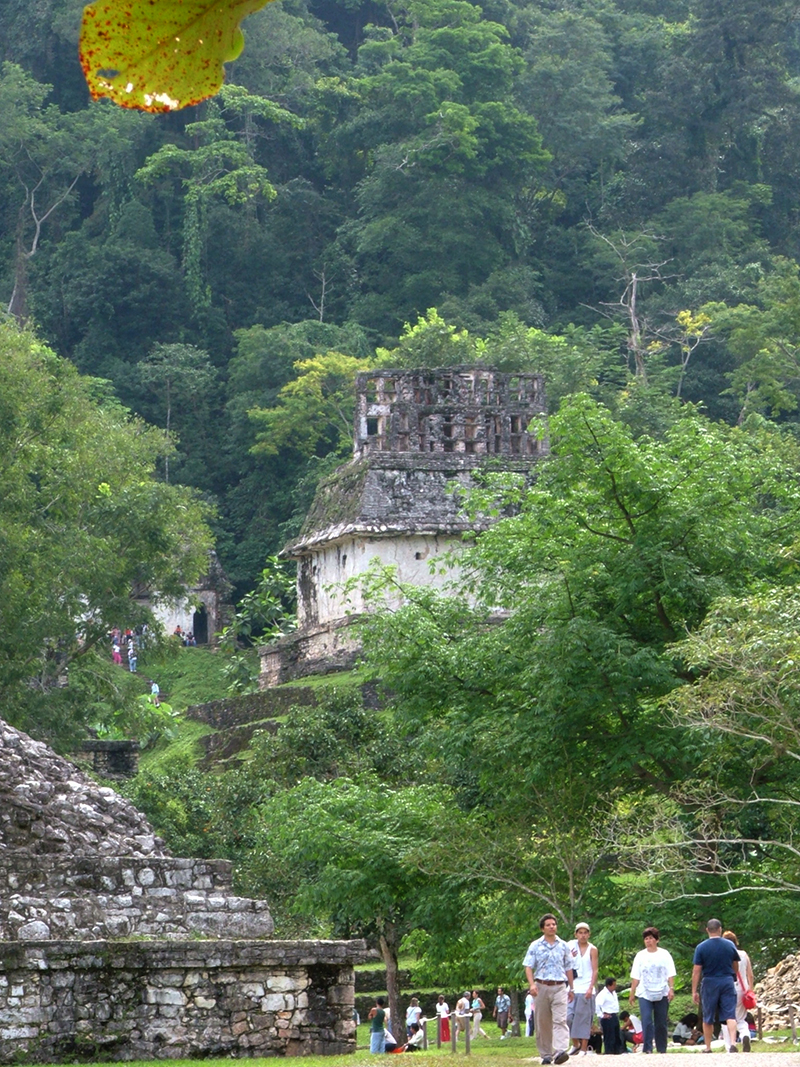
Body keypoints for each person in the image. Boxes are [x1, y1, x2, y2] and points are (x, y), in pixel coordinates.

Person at [524, 912, 575, 1065]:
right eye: (548, 925)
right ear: (542, 928)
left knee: (560, 1019)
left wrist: (571, 988)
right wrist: (532, 984)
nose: (552, 927)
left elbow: (569, 968)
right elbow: (528, 966)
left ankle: (560, 1051)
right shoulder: (535, 945)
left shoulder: (564, 945)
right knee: (543, 1022)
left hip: (559, 986)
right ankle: (546, 1054)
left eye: (554, 924)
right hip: (541, 986)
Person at [691, 918, 740, 1054]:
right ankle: (733, 1043)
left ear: (707, 930)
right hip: (726, 980)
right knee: (730, 1014)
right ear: (720, 929)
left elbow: (696, 971)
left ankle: (708, 1047)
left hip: (709, 982)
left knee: (708, 1016)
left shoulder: (701, 947)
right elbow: (735, 964)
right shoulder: (730, 945)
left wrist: (694, 991)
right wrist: (732, 976)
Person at [629, 926, 676, 1054]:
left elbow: (670, 973)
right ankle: (648, 1048)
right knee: (647, 1020)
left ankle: (661, 1048)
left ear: (656, 940)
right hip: (644, 991)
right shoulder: (640, 956)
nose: (648, 941)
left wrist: (671, 988)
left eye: (650, 938)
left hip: (661, 990)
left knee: (661, 1022)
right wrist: (632, 993)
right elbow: (635, 976)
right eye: (646, 939)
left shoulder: (664, 954)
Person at [567, 921, 599, 1056]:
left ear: (589, 934)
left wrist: (591, 987)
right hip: (573, 986)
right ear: (576, 934)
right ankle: (575, 1043)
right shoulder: (570, 946)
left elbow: (595, 970)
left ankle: (584, 1048)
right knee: (568, 1017)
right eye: (580, 933)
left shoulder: (593, 949)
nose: (583, 935)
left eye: (585, 933)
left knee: (584, 1018)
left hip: (586, 986)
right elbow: (566, 964)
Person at [723, 931, 754, 1053]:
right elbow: (750, 975)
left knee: (727, 1018)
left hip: (728, 987)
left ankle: (730, 1045)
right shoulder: (744, 954)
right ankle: (745, 1035)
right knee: (741, 1018)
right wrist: (750, 990)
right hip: (743, 988)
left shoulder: (725, 955)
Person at [596, 977, 623, 1055]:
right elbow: (597, 1004)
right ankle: (609, 1052)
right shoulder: (603, 994)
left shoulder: (614, 993)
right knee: (609, 1037)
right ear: (609, 985)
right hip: (608, 1016)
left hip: (614, 1015)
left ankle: (617, 1051)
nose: (615, 986)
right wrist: (601, 1015)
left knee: (616, 1035)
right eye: (614, 985)